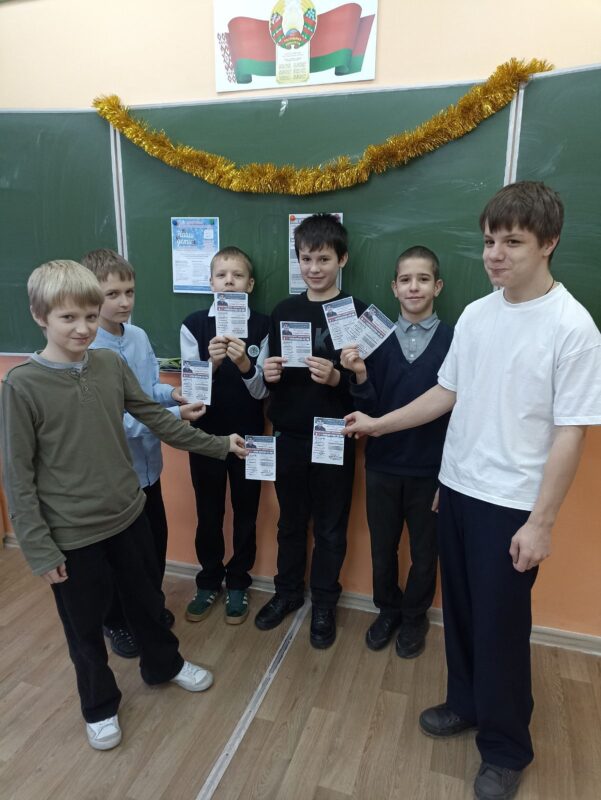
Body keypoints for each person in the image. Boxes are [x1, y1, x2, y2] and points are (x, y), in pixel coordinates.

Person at [343, 182, 601, 800]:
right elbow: (447, 394)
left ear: (548, 243)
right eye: (489, 241)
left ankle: (507, 747)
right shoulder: (479, 315)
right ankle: (466, 703)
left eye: (512, 242)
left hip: (512, 508)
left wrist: (541, 523)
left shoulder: (572, 327)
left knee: (500, 628)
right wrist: (380, 425)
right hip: (456, 491)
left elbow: (571, 433)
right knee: (458, 613)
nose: (495, 255)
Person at [0, 260, 247, 751]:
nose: (83, 328)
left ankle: (165, 665)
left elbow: (156, 417)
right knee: (85, 629)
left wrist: (218, 444)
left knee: (148, 604)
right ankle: (99, 706)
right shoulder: (22, 385)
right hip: (72, 535)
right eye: (68, 318)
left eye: (90, 316)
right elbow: (17, 476)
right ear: (40, 316)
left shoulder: (110, 364)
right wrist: (39, 549)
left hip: (128, 515)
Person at [255, 213, 367, 648]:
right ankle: (287, 593)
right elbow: (269, 379)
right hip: (288, 435)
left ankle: (324, 602)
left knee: (330, 528)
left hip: (334, 435)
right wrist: (268, 374)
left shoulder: (356, 312)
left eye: (323, 259)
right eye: (306, 259)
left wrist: (338, 378)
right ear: (297, 260)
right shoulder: (284, 311)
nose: (314, 268)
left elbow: (369, 387)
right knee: (290, 522)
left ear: (342, 259)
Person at [340, 245, 452, 657]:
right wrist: (359, 374)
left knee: (425, 552)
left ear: (437, 286)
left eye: (423, 279)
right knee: (382, 547)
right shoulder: (374, 339)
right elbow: (368, 409)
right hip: (383, 465)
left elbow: (461, 411)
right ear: (394, 287)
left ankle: (414, 616)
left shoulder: (455, 340)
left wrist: (448, 474)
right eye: (405, 280)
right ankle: (387, 609)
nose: (414, 287)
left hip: (430, 470)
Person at [82, 248, 190, 657]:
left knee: (153, 546)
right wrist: (172, 417)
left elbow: (146, 392)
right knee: (118, 556)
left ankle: (146, 609)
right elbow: (115, 420)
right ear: (90, 296)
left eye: (129, 291)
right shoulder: (87, 349)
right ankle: (116, 621)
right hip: (116, 476)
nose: (124, 301)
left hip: (149, 469)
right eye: (112, 294)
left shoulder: (139, 336)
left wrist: (172, 395)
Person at [180, 246, 269, 625]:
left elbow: (263, 392)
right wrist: (212, 363)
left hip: (251, 437)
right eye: (221, 275)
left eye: (237, 275)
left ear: (250, 285)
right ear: (211, 283)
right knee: (208, 512)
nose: (229, 281)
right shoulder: (194, 324)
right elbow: (191, 392)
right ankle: (208, 580)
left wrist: (245, 363)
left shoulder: (263, 325)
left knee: (247, 513)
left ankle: (238, 582)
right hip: (205, 437)